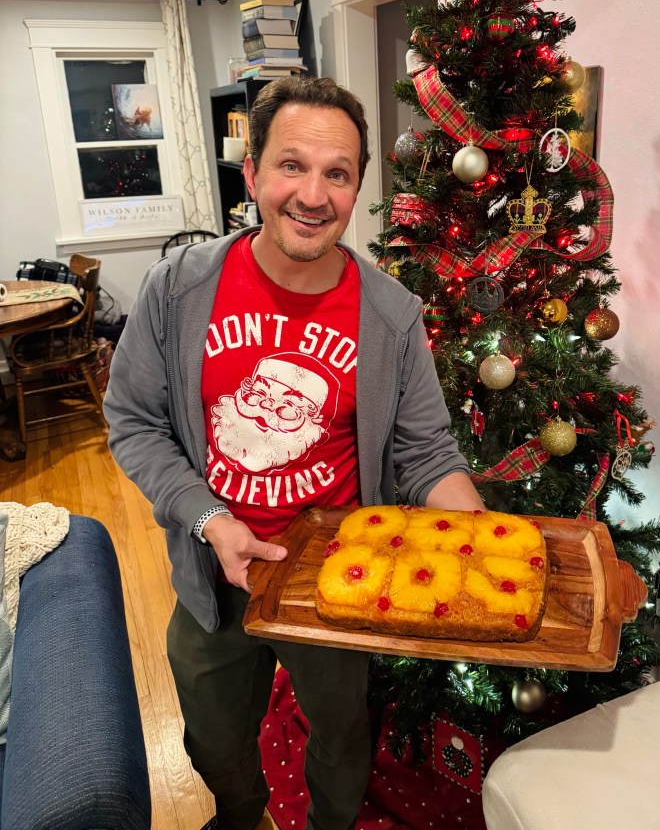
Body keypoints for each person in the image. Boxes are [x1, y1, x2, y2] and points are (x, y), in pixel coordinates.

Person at [104, 76, 485, 830]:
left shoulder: (390, 315)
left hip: (335, 582)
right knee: (213, 735)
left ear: (357, 187)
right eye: (291, 166)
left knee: (343, 739)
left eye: (337, 173)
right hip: (214, 571)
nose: (313, 195)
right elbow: (133, 421)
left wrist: (472, 532)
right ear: (250, 174)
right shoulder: (177, 290)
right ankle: (242, 815)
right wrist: (208, 517)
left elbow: (424, 447)